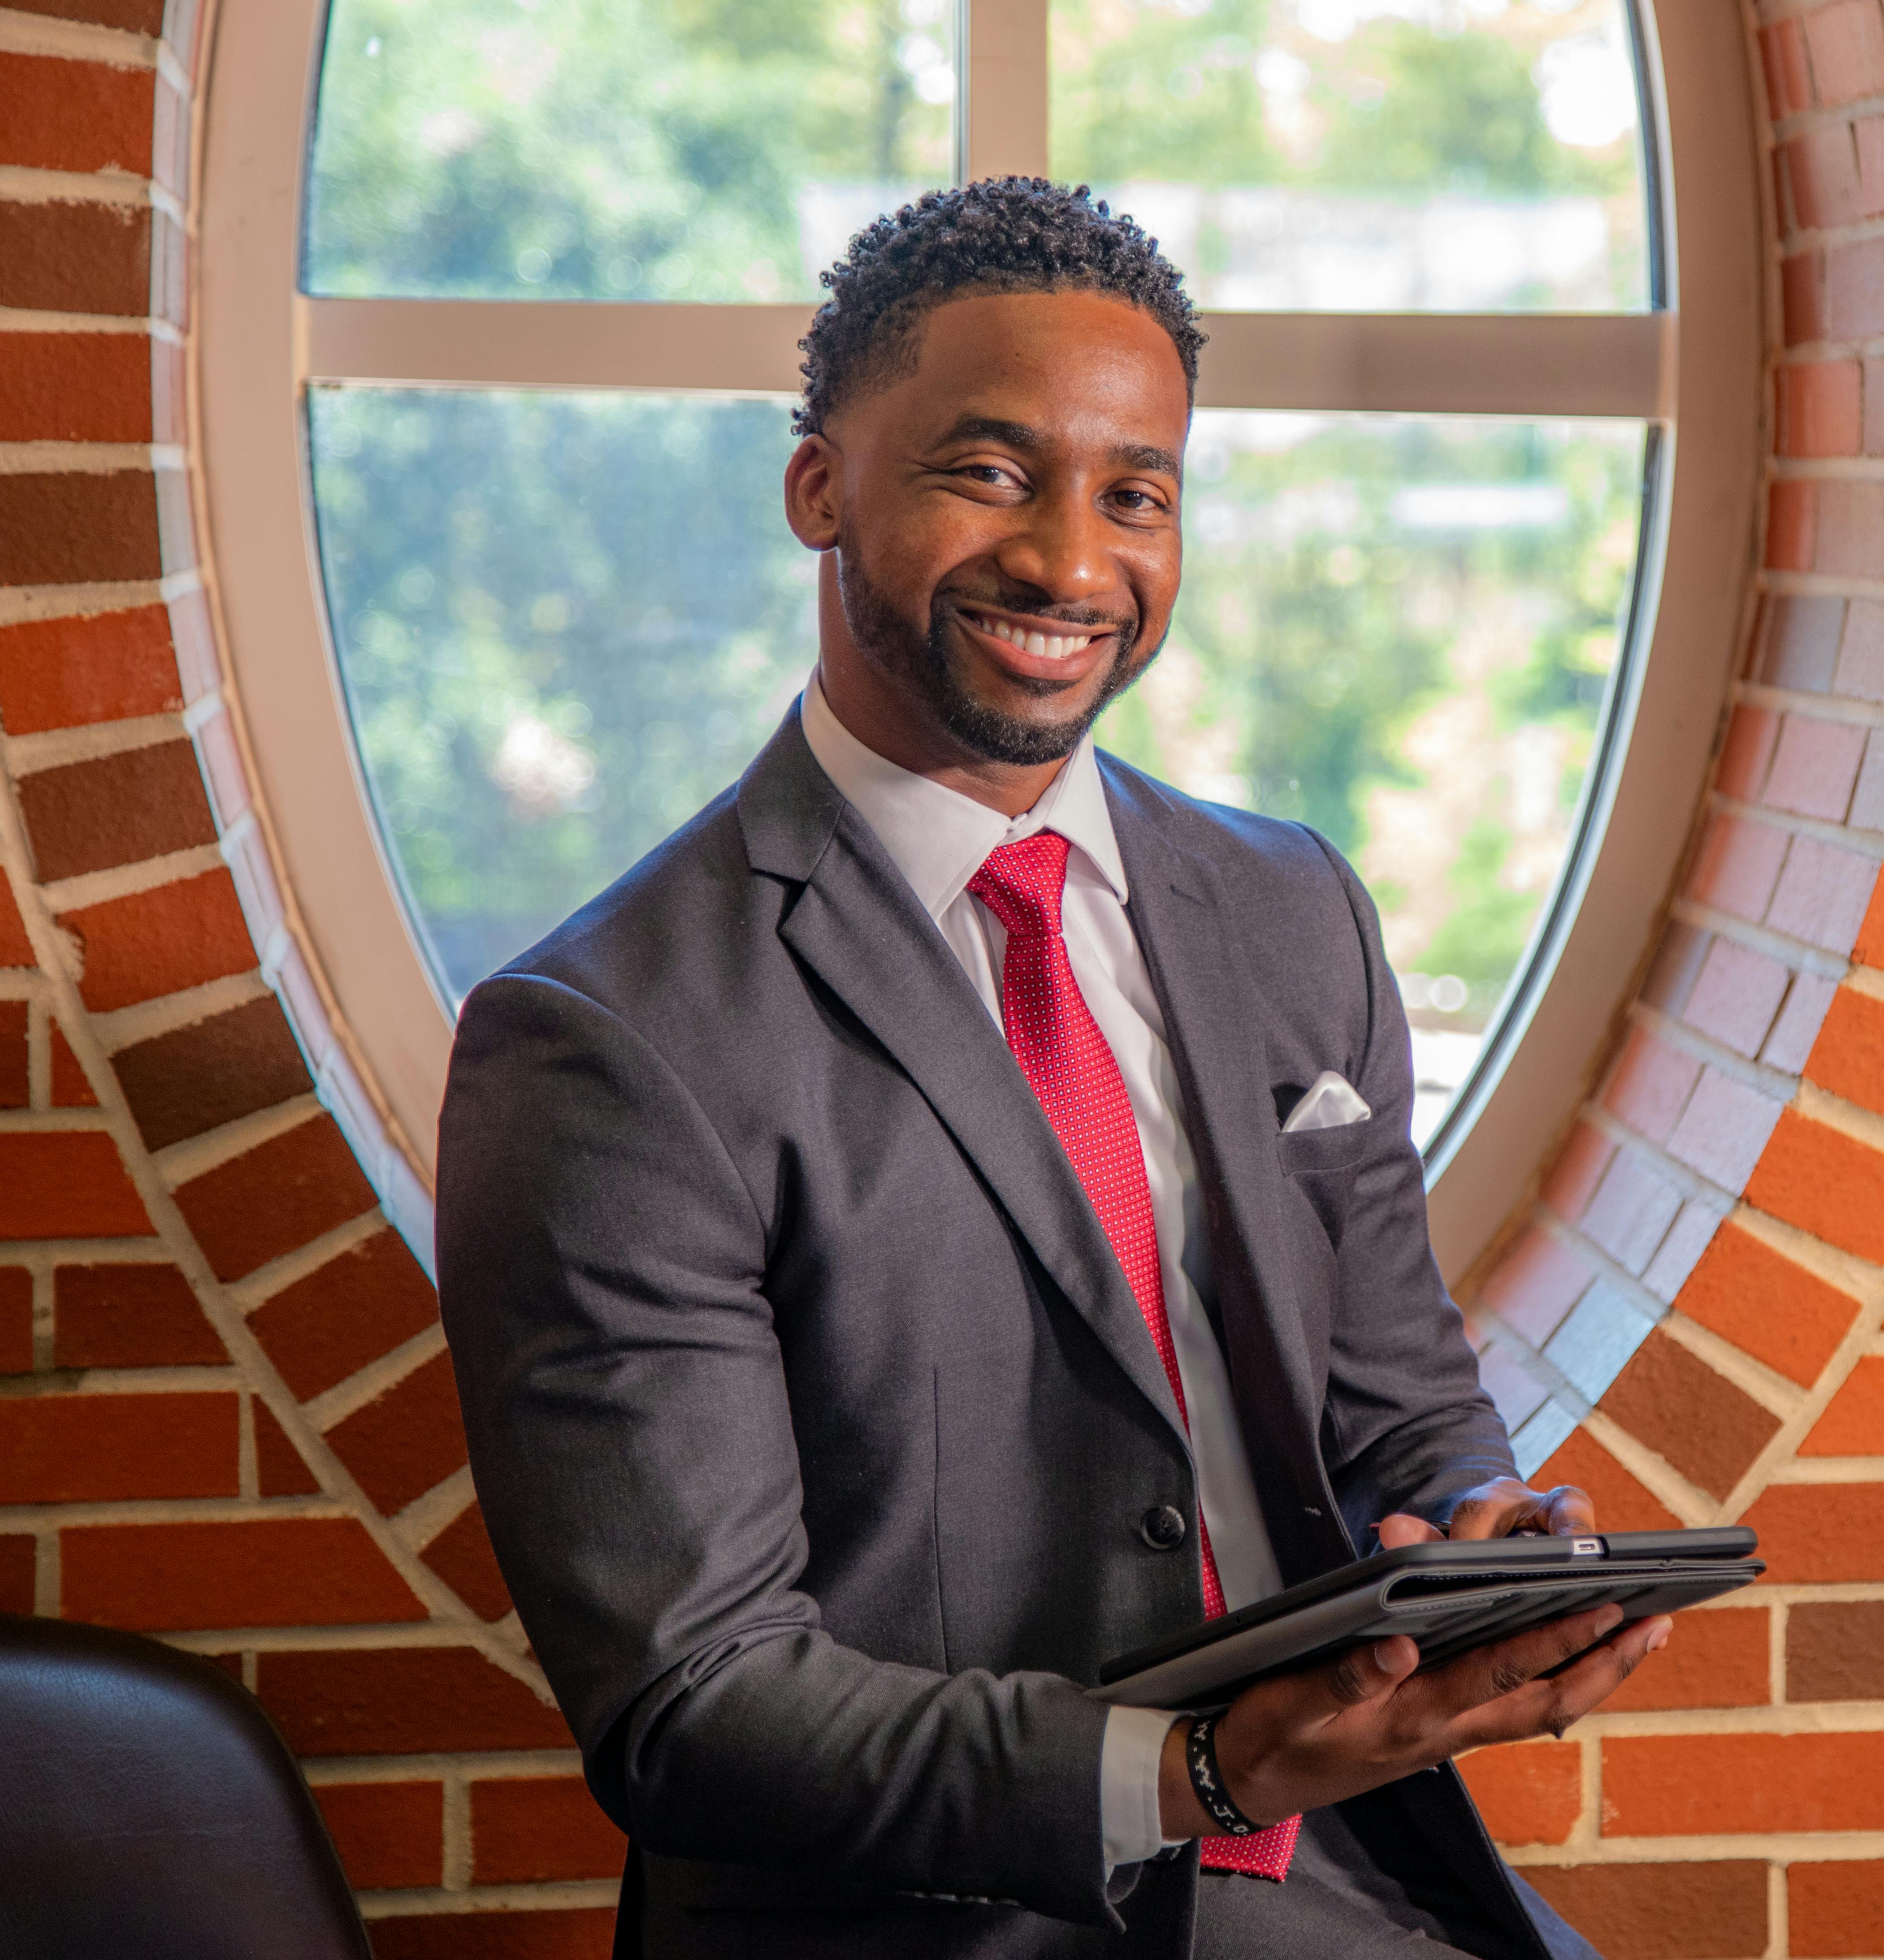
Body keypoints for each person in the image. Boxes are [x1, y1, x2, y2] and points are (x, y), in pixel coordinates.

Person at [434, 177, 1664, 1960]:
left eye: (1134, 494)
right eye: (990, 473)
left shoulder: (1290, 908)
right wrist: (1192, 1768)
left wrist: (1485, 1535)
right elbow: (693, 1702)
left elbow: (1398, 1398)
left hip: (1343, 1870)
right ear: (818, 487)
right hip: (922, 1921)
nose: (1073, 563)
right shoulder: (610, 1040)